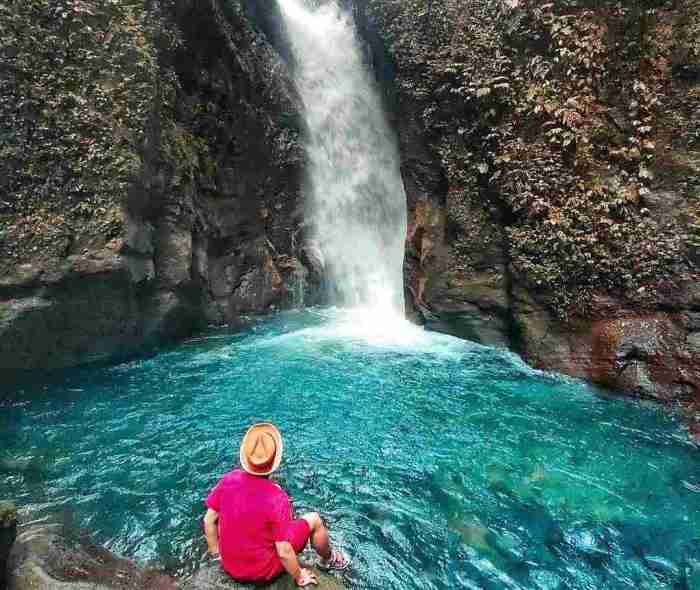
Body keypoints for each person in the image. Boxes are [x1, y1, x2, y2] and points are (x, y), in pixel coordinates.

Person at [203, 422, 349, 587]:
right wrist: (299, 575)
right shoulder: (277, 497)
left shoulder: (229, 479)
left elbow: (208, 520)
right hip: (262, 571)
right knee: (314, 519)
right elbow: (284, 550)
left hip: (230, 566)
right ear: (274, 462)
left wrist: (218, 554)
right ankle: (328, 560)